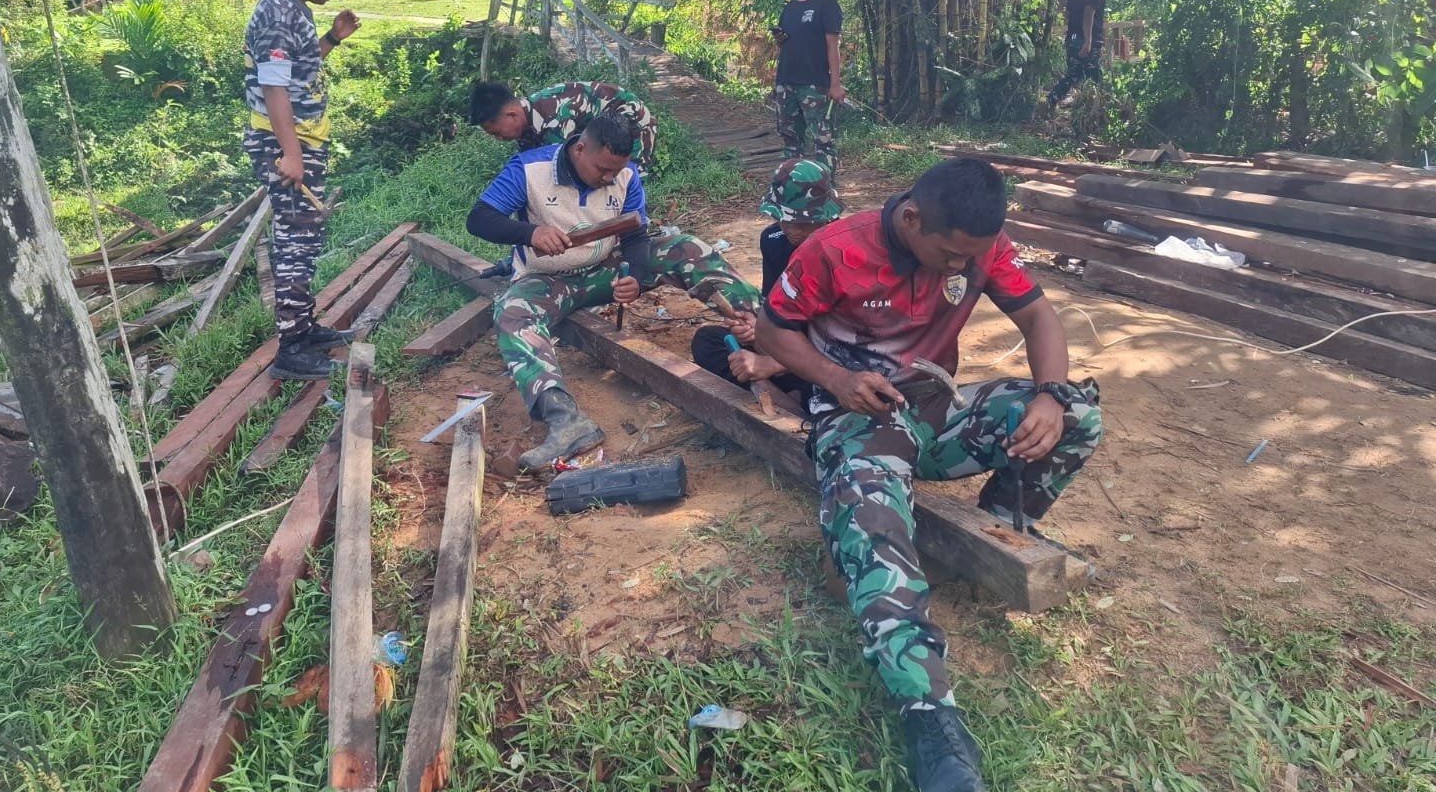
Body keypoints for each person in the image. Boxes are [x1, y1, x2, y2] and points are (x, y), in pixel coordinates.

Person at [754, 157, 1103, 792]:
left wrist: (1050, 396)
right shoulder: (835, 249)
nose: (960, 267)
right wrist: (836, 378)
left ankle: (985, 536)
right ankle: (930, 715)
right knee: (873, 530)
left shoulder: (978, 244)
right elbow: (772, 331)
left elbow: (1038, 317)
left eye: (971, 257)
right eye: (950, 255)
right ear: (912, 218)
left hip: (938, 412)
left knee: (1078, 415)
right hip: (860, 416)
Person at [466, 114, 759, 473]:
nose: (609, 178)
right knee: (513, 312)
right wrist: (530, 233)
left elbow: (635, 235)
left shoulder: (625, 174)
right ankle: (566, 422)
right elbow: (479, 219)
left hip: (606, 269)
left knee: (685, 247)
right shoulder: (530, 169)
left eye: (616, 170)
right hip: (547, 281)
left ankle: (762, 330)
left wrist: (633, 276)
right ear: (579, 149)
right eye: (603, 169)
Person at [241, 0, 361, 381]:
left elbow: (297, 71)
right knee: (295, 240)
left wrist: (332, 37)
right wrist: (291, 152)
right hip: (285, 145)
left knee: (305, 238)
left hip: (303, 141)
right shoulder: (276, 12)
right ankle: (291, 349)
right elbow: (274, 87)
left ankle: (304, 328)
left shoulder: (294, 9)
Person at [691, 157, 842, 400]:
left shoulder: (844, 254)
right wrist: (757, 330)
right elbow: (774, 308)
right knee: (708, 341)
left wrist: (774, 364)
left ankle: (788, 399)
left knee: (836, 387)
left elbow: (853, 343)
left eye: (802, 222)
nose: (791, 229)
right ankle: (777, 395)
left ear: (826, 216)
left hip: (827, 360)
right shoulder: (773, 241)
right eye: (784, 219)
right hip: (788, 345)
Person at [469, 79, 659, 171]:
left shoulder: (554, 118)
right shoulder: (527, 123)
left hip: (632, 121)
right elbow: (530, 166)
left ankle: (636, 226)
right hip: (598, 128)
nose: (498, 138)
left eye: (496, 133)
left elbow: (559, 166)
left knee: (628, 175)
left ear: (512, 114)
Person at [772, 0, 845, 171]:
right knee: (790, 137)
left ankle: (826, 184)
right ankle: (792, 182)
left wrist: (835, 83)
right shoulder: (789, 8)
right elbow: (785, 43)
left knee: (822, 138)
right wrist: (780, 40)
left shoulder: (826, 5)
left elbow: (833, 45)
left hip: (814, 82)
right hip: (787, 81)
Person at [1046, 0, 1115, 108]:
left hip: (1073, 37)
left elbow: (1069, 13)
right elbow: (1089, 12)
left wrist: (1073, 36)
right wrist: (1088, 41)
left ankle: (1051, 100)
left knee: (1074, 74)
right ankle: (1100, 110)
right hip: (1088, 39)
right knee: (1095, 75)